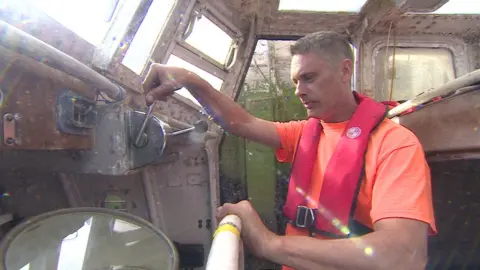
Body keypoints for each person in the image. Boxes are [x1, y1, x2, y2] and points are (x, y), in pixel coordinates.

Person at [142, 31, 436, 270]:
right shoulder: (305, 132)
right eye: (296, 81)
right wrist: (190, 80)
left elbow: (403, 256)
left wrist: (269, 243)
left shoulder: (396, 145)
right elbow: (241, 122)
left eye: (309, 78)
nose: (299, 91)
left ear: (345, 71)